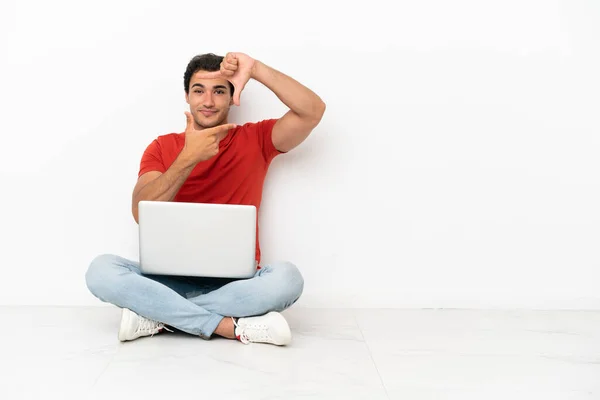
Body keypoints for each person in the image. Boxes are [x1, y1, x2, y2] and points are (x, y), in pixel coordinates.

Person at [85, 52, 326, 346]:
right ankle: (228, 326)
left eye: (219, 91)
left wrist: (256, 69)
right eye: (199, 90)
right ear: (187, 96)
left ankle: (161, 318)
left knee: (288, 279)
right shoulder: (162, 147)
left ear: (232, 96)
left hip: (237, 282)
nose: (209, 101)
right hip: (168, 279)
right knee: (101, 271)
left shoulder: (256, 138)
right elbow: (140, 211)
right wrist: (187, 158)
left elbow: (312, 111)